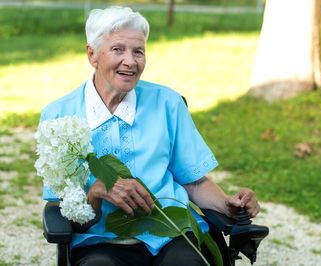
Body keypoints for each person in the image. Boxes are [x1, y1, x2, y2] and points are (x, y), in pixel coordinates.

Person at [40, 6, 260, 266]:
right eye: (118, 49)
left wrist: (228, 204)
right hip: (98, 241)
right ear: (92, 55)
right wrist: (96, 192)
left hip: (170, 234)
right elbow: (69, 213)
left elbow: (194, 183)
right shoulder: (58, 116)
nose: (130, 61)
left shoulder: (168, 103)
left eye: (138, 51)